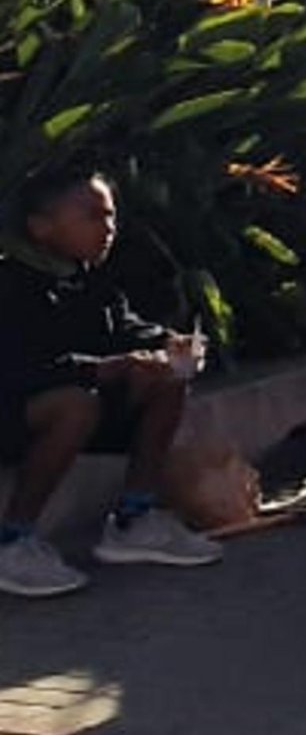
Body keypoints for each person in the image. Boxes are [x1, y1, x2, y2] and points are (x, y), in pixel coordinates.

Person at [0, 172, 222, 597]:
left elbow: (122, 327)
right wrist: (105, 369)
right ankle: (14, 540)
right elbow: (20, 368)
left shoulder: (89, 278)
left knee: (167, 379)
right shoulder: (11, 285)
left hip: (81, 408)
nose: (108, 229)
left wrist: (167, 344)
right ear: (41, 227)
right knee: (75, 405)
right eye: (93, 217)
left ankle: (133, 518)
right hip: (18, 412)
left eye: (112, 217)